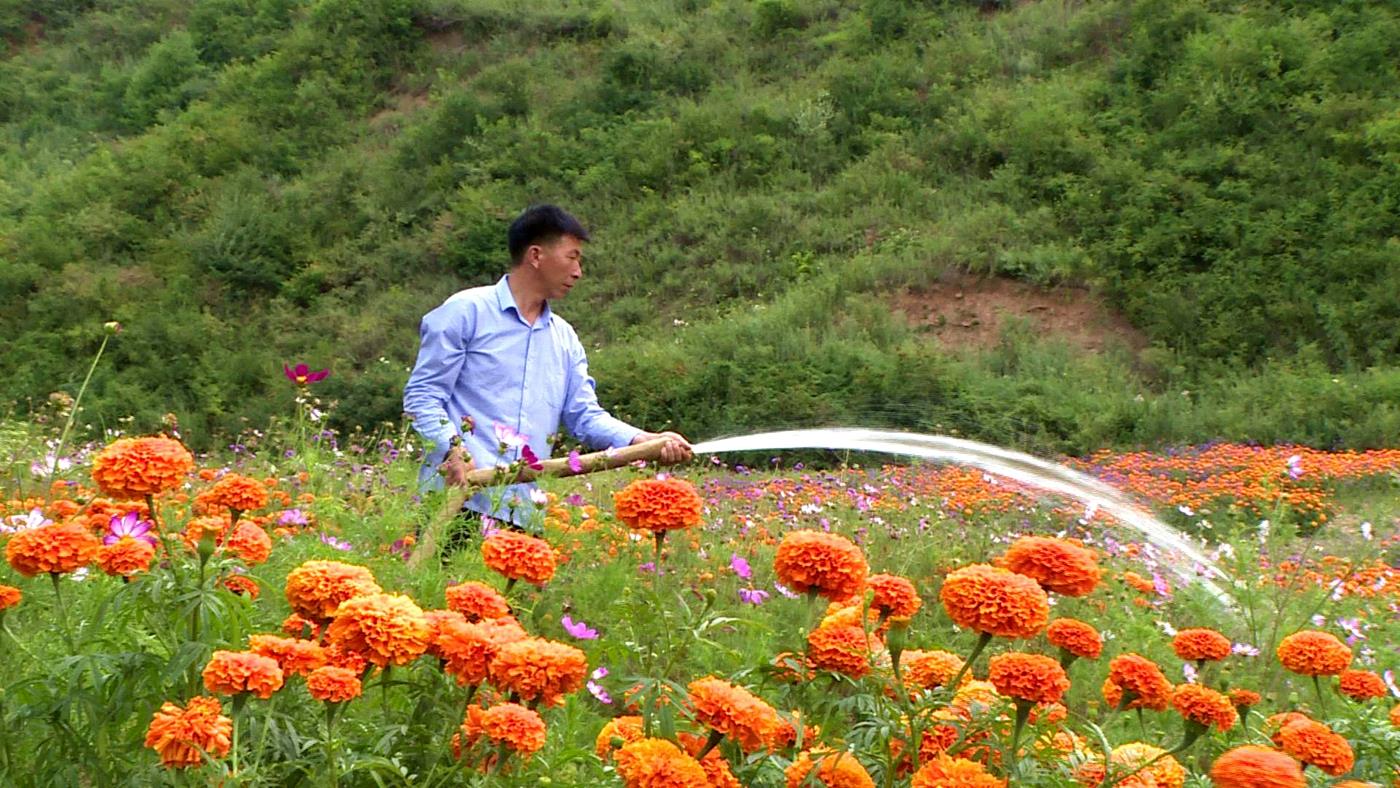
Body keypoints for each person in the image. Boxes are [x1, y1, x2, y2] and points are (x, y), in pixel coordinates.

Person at [403, 204, 692, 530]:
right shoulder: (465, 312)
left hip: (522, 513)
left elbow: (584, 416)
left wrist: (644, 441)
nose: (578, 272)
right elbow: (423, 395)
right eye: (572, 257)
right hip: (457, 503)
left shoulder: (564, 339)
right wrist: (452, 449)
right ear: (536, 255)